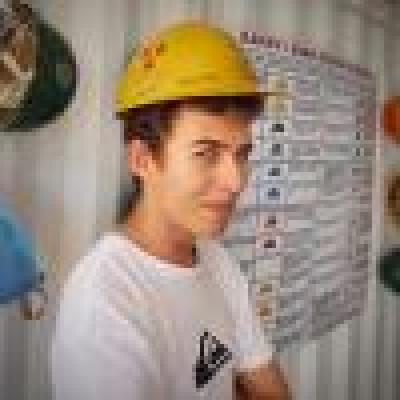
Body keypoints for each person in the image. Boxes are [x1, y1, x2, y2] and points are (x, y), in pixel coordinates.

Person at [50, 20, 292, 400]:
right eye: (206, 153)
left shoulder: (218, 263)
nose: (235, 182)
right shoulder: (106, 305)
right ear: (142, 159)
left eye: (241, 154)